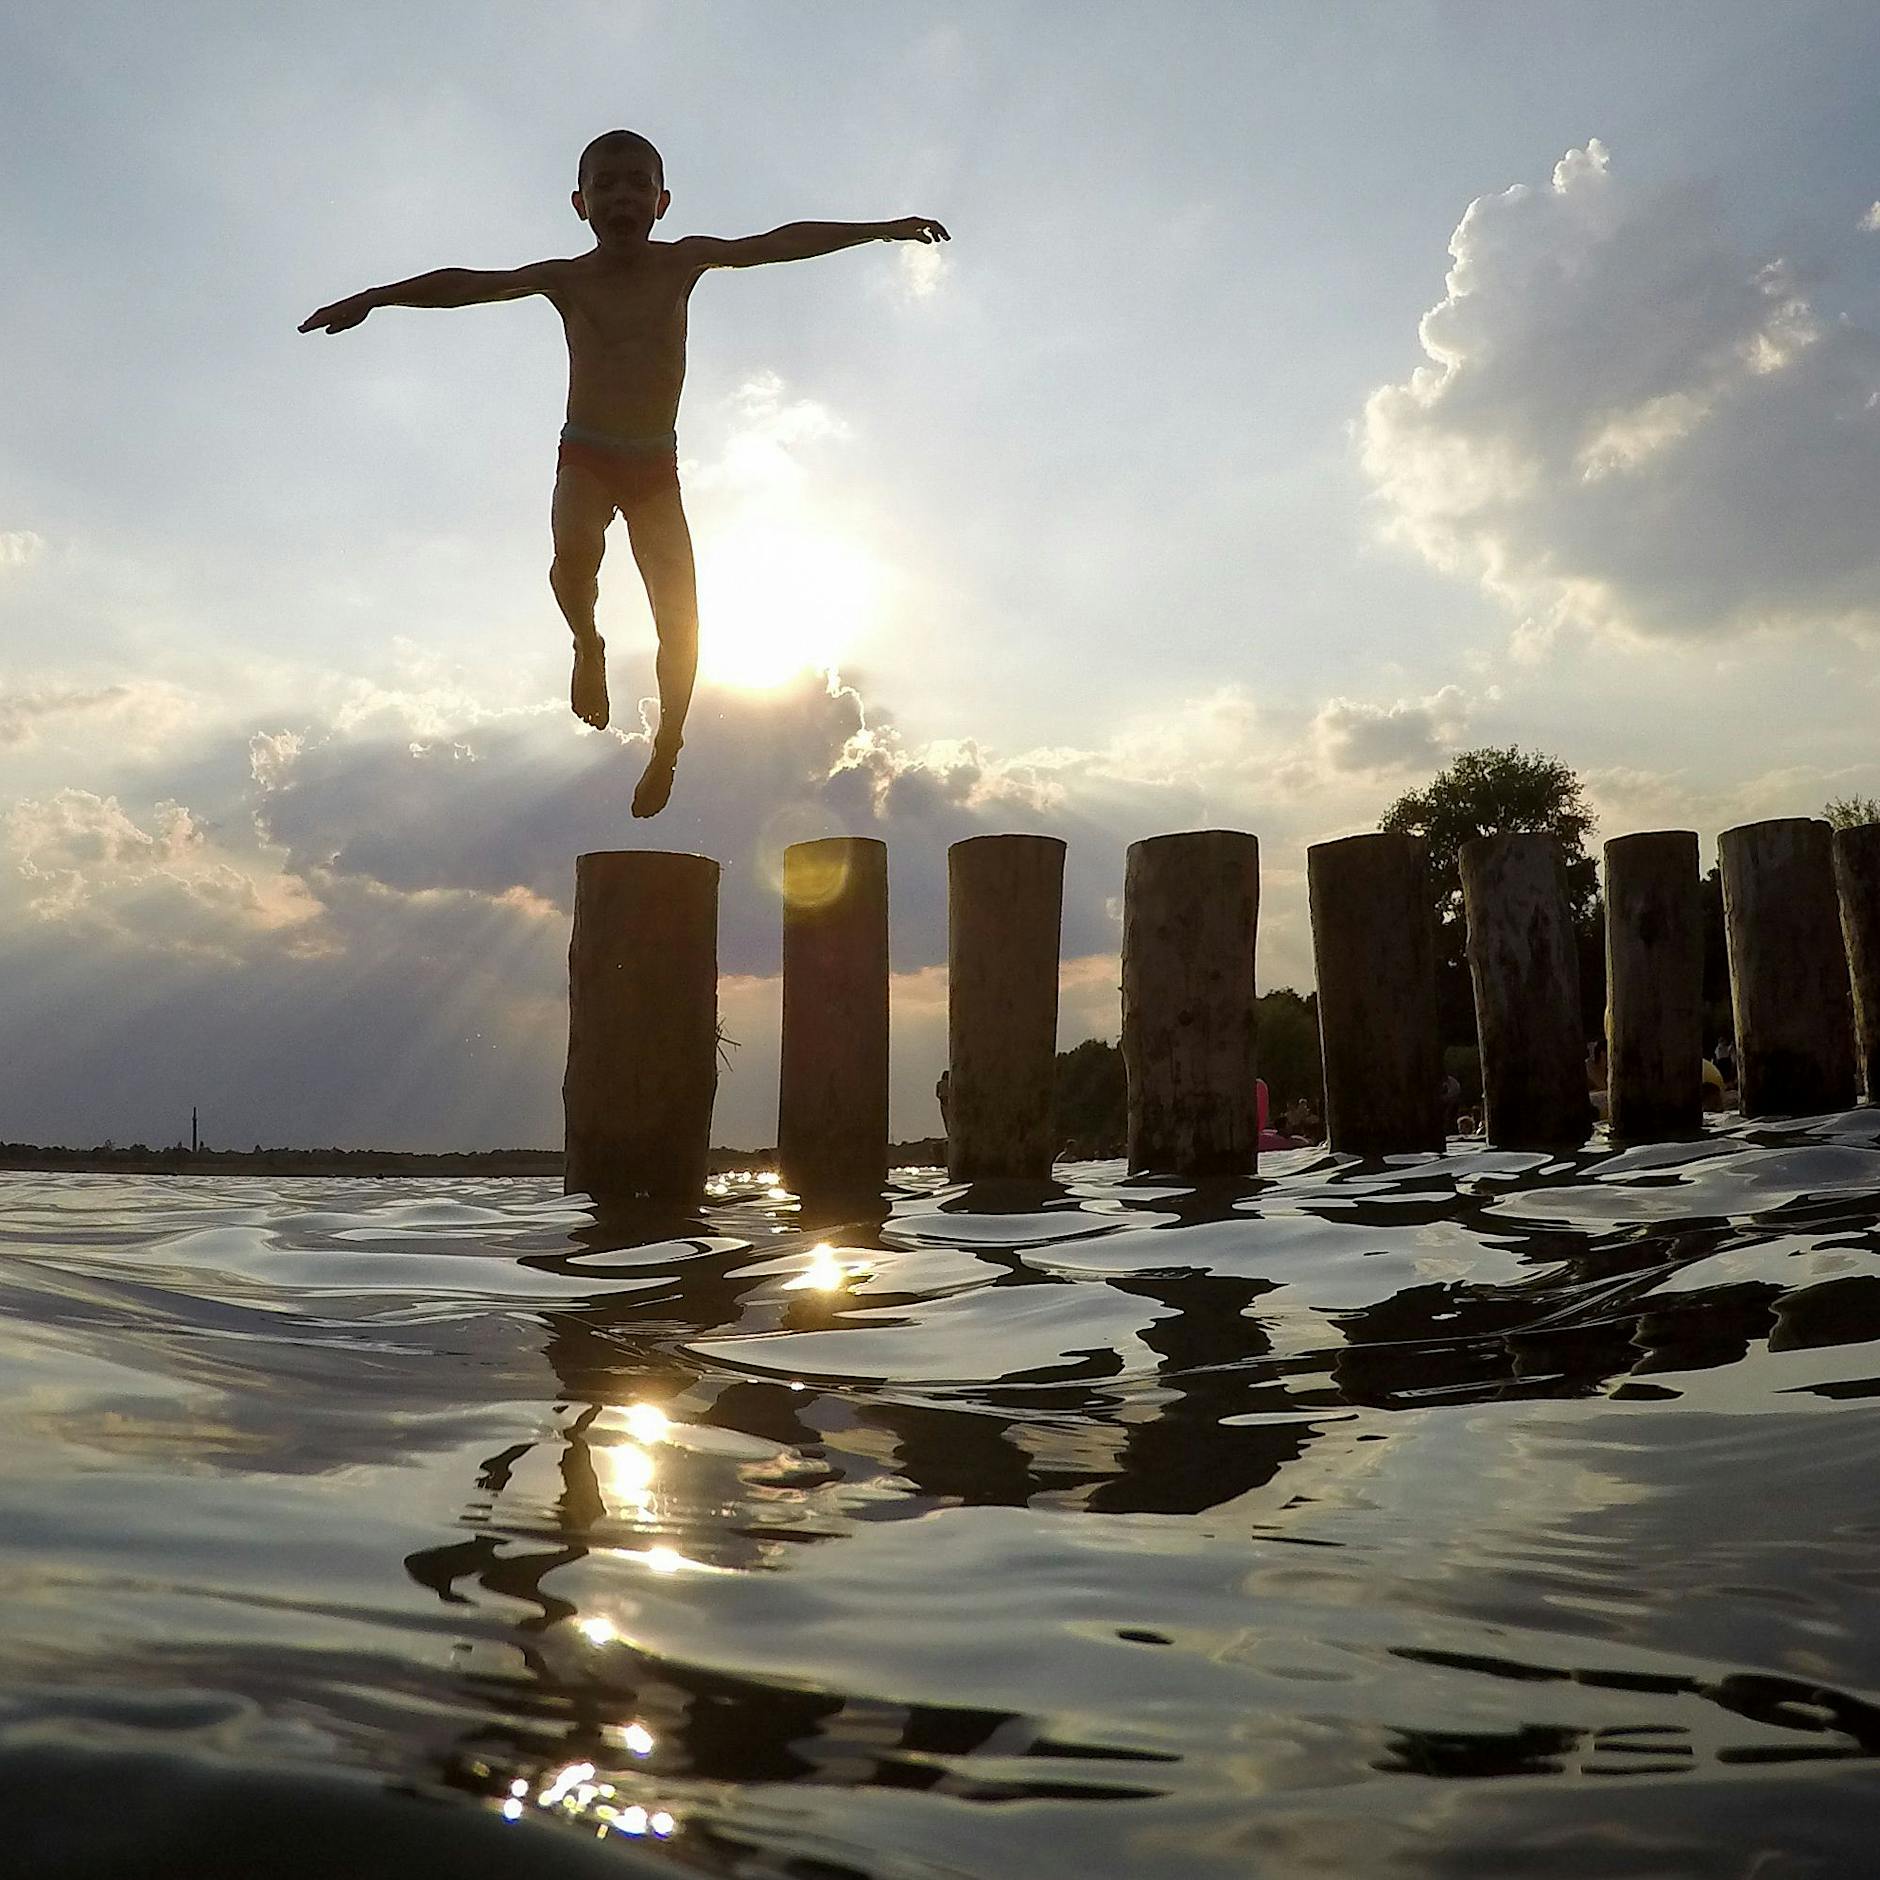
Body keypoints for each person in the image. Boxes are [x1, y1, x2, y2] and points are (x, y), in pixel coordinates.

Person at [301, 129, 948, 817]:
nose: (621, 195)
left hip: (654, 467)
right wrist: (374, 296)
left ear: (661, 202)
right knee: (575, 551)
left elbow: (776, 242)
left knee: (683, 620)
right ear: (580, 203)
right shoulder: (567, 278)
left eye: (637, 183)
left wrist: (881, 230)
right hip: (587, 452)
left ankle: (667, 746)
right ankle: (588, 642)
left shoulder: (684, 263)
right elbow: (465, 285)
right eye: (605, 185)